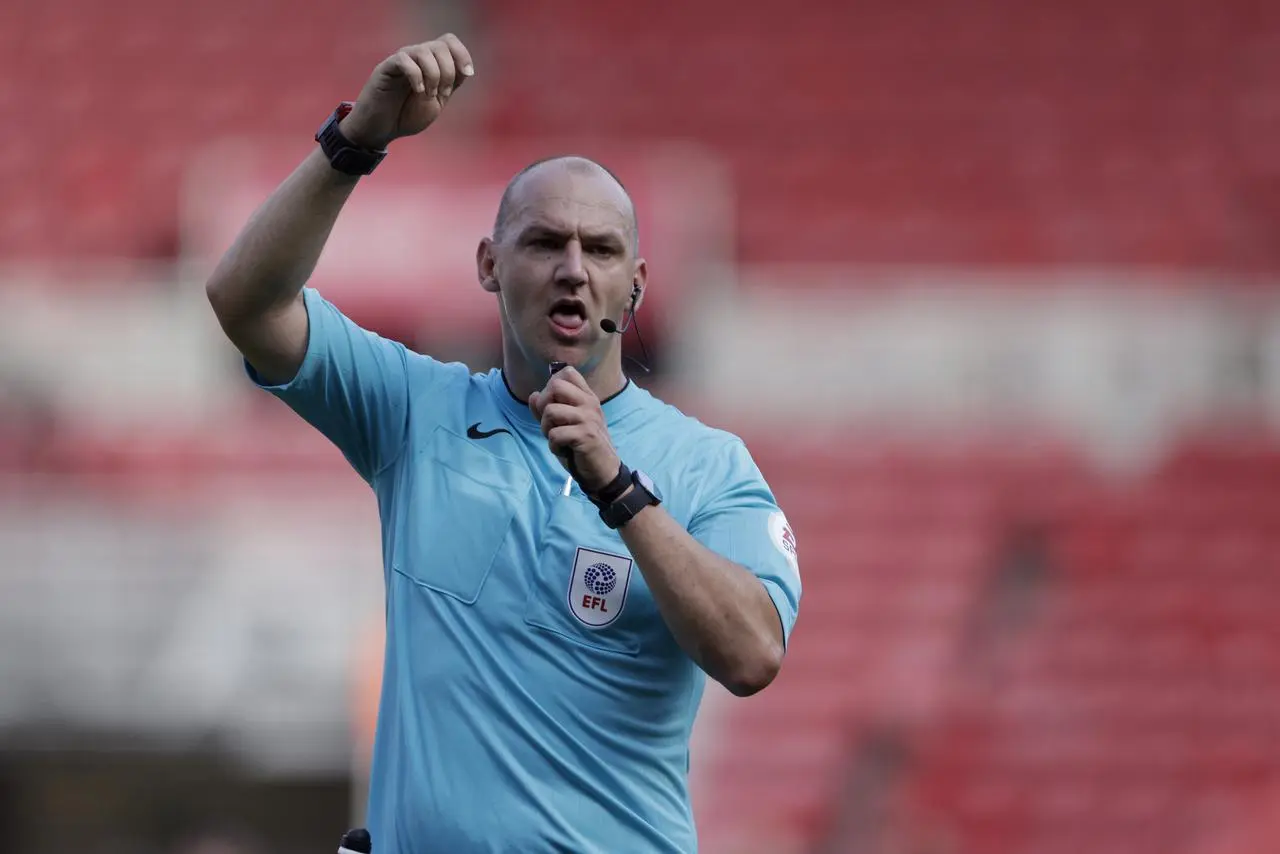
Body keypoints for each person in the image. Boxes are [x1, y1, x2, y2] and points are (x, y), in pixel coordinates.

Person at [205, 34, 802, 853]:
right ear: (490, 264)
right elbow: (245, 302)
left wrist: (617, 486)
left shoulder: (708, 465)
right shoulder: (415, 411)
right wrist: (356, 141)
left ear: (636, 285)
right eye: (543, 243)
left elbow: (752, 653)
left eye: (599, 250)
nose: (572, 269)